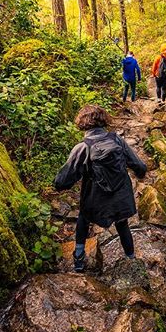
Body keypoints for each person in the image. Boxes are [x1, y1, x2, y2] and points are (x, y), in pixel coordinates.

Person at [54, 104, 147, 272]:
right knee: (122, 224)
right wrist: (140, 175)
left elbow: (63, 180)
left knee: (83, 219)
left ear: (82, 123)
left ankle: (79, 260)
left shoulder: (82, 148)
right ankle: (131, 258)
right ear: (103, 120)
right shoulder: (117, 140)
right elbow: (139, 165)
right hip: (121, 197)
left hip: (95, 201)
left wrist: (59, 187)